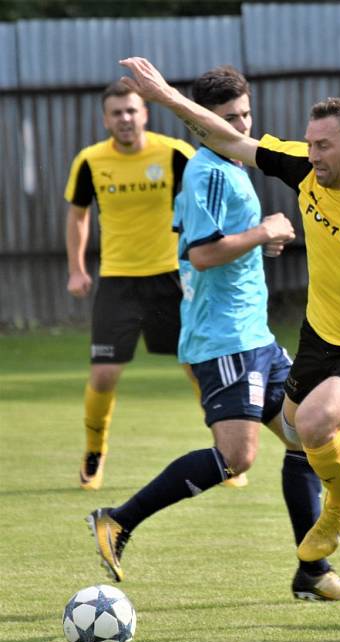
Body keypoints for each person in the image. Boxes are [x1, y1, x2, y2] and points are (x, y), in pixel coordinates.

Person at [117, 57, 340, 567]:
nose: (312, 155)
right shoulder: (304, 168)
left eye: (323, 146)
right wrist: (167, 98)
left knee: (311, 424)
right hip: (320, 336)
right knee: (294, 435)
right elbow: (229, 140)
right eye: (309, 144)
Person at [87, 66, 340, 601]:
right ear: (203, 124)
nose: (241, 125)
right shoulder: (207, 172)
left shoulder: (235, 165)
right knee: (237, 458)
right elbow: (199, 252)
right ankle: (117, 521)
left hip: (255, 334)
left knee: (306, 437)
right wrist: (262, 231)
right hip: (223, 339)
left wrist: (257, 243)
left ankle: (313, 572)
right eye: (228, 119)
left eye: (245, 114)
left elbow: (217, 244)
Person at [65, 81, 197, 490]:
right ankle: (94, 451)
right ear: (106, 119)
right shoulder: (90, 161)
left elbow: (207, 200)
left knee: (198, 367)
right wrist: (76, 267)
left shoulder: (175, 153)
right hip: (118, 281)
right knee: (103, 374)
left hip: (169, 278)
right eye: (117, 112)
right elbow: (78, 215)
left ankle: (228, 452)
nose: (125, 118)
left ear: (146, 114)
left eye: (131, 111)